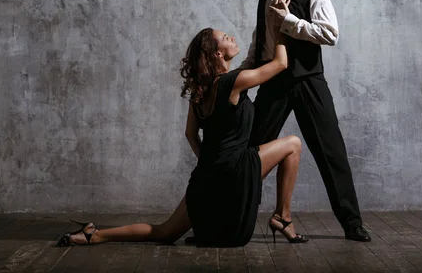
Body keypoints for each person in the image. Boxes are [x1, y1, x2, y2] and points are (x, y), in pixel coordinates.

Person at [56, 22, 309, 247]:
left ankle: (95, 235)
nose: (231, 37)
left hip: (206, 179)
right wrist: (280, 28)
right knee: (293, 144)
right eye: (225, 37)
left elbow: (190, 134)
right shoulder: (235, 81)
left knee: (164, 231)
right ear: (218, 53)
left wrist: (210, 163)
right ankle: (282, 217)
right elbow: (281, 64)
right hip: (236, 172)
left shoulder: (201, 92)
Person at [239, 0, 371, 242]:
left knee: (331, 152)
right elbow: (263, 40)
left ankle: (352, 224)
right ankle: (227, 217)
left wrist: (289, 21)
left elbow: (330, 34)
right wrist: (242, 74)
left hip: (309, 81)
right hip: (274, 79)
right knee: (248, 151)